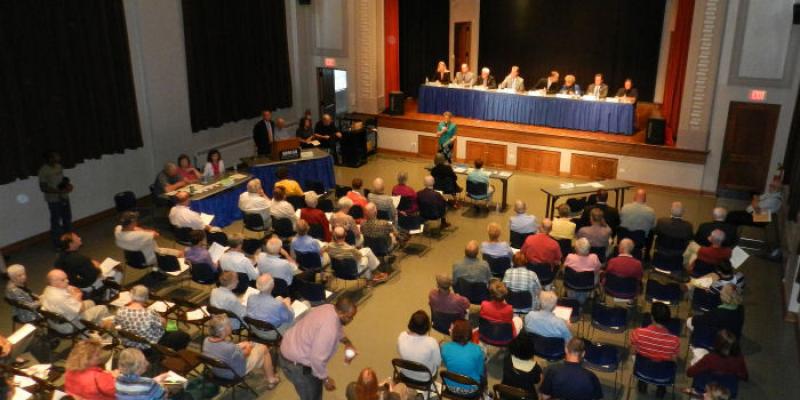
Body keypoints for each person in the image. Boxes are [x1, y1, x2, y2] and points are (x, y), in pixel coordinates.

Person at [280, 297, 359, 400]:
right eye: (349, 317)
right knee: (312, 396)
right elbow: (317, 359)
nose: (351, 320)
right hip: (297, 367)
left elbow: (338, 327)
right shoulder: (329, 330)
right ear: (339, 312)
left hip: (288, 347)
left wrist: (347, 342)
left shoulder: (329, 308)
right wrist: (325, 379)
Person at [203, 314, 280, 388]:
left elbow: (228, 351)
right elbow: (246, 354)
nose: (231, 326)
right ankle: (271, 379)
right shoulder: (229, 348)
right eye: (229, 325)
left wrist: (243, 345)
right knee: (263, 348)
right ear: (223, 330)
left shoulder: (206, 340)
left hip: (218, 372)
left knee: (247, 345)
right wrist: (249, 346)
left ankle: (262, 364)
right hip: (234, 373)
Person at [114, 285, 191, 352]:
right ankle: (173, 355)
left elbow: (117, 325)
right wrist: (171, 323)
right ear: (146, 298)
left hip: (129, 342)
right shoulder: (149, 313)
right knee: (182, 335)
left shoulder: (120, 311)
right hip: (149, 345)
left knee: (167, 326)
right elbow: (166, 325)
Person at [630, 302, 680, 398]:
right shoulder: (675, 340)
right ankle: (661, 389)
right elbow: (674, 360)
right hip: (663, 376)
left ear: (652, 317)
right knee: (665, 367)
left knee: (641, 360)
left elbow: (632, 352)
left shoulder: (638, 333)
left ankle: (642, 384)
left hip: (642, 371)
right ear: (668, 320)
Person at [40, 269, 110, 334]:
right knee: (102, 308)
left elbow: (68, 292)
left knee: (91, 302)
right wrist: (78, 296)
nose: (67, 281)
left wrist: (69, 289)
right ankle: (106, 330)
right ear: (54, 282)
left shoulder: (48, 290)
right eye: (63, 280)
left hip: (57, 322)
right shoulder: (60, 298)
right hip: (70, 324)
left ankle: (94, 326)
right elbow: (80, 309)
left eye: (66, 278)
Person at [539, 338, 603, 400]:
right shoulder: (591, 377)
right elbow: (596, 397)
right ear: (583, 354)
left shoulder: (551, 370)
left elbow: (545, 397)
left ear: (566, 350)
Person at [115, 211, 182, 266]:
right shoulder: (141, 235)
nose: (136, 222)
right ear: (131, 223)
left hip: (131, 259)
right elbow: (156, 234)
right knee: (180, 253)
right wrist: (143, 231)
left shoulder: (117, 230)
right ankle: (158, 270)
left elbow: (137, 230)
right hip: (149, 257)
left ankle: (157, 270)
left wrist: (139, 230)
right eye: (135, 221)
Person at [440, 320, 485, 394]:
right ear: (469, 334)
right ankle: (485, 392)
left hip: (450, 387)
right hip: (471, 390)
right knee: (484, 369)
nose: (449, 330)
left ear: (454, 333)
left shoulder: (445, 347)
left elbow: (446, 364)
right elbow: (480, 372)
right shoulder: (477, 349)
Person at [39, 151, 73, 247]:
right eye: (56, 156)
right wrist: (58, 192)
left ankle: (70, 242)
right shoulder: (43, 171)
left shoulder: (59, 166)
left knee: (67, 219)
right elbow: (43, 187)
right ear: (50, 158)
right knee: (56, 222)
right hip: (54, 200)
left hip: (64, 197)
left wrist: (68, 186)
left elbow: (62, 181)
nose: (58, 157)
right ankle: (58, 244)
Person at [397, 310, 442, 382]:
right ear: (427, 326)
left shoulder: (401, 336)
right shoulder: (432, 342)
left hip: (405, 374)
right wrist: (437, 347)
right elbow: (438, 363)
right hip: (425, 378)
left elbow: (399, 352)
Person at [564, 238, 602, 304]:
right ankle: (581, 302)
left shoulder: (570, 257)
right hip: (587, 285)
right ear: (589, 249)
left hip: (571, 284)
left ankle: (573, 302)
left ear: (576, 249)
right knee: (597, 273)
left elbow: (564, 269)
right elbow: (598, 269)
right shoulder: (594, 257)